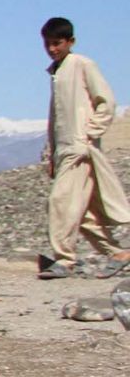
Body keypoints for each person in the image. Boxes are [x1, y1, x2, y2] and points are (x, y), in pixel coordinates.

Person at [37, 17, 130, 279]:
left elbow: (106, 102)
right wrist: (51, 152)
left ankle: (64, 260)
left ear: (70, 42)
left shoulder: (82, 65)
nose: (52, 48)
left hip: (79, 148)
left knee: (59, 201)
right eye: (48, 44)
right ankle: (117, 252)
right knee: (82, 209)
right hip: (64, 150)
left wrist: (88, 134)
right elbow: (57, 118)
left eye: (57, 43)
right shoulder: (57, 70)